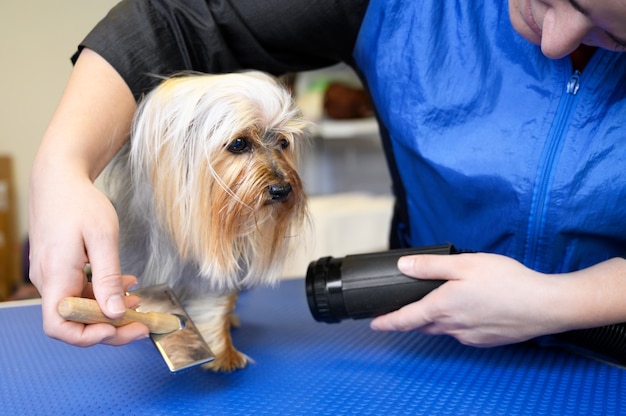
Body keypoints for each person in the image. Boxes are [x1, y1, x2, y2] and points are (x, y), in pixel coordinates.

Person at [29, 0, 626, 350]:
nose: (557, 40)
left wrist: (562, 302)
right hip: (428, 329)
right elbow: (173, 20)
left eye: (614, 31)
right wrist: (60, 167)